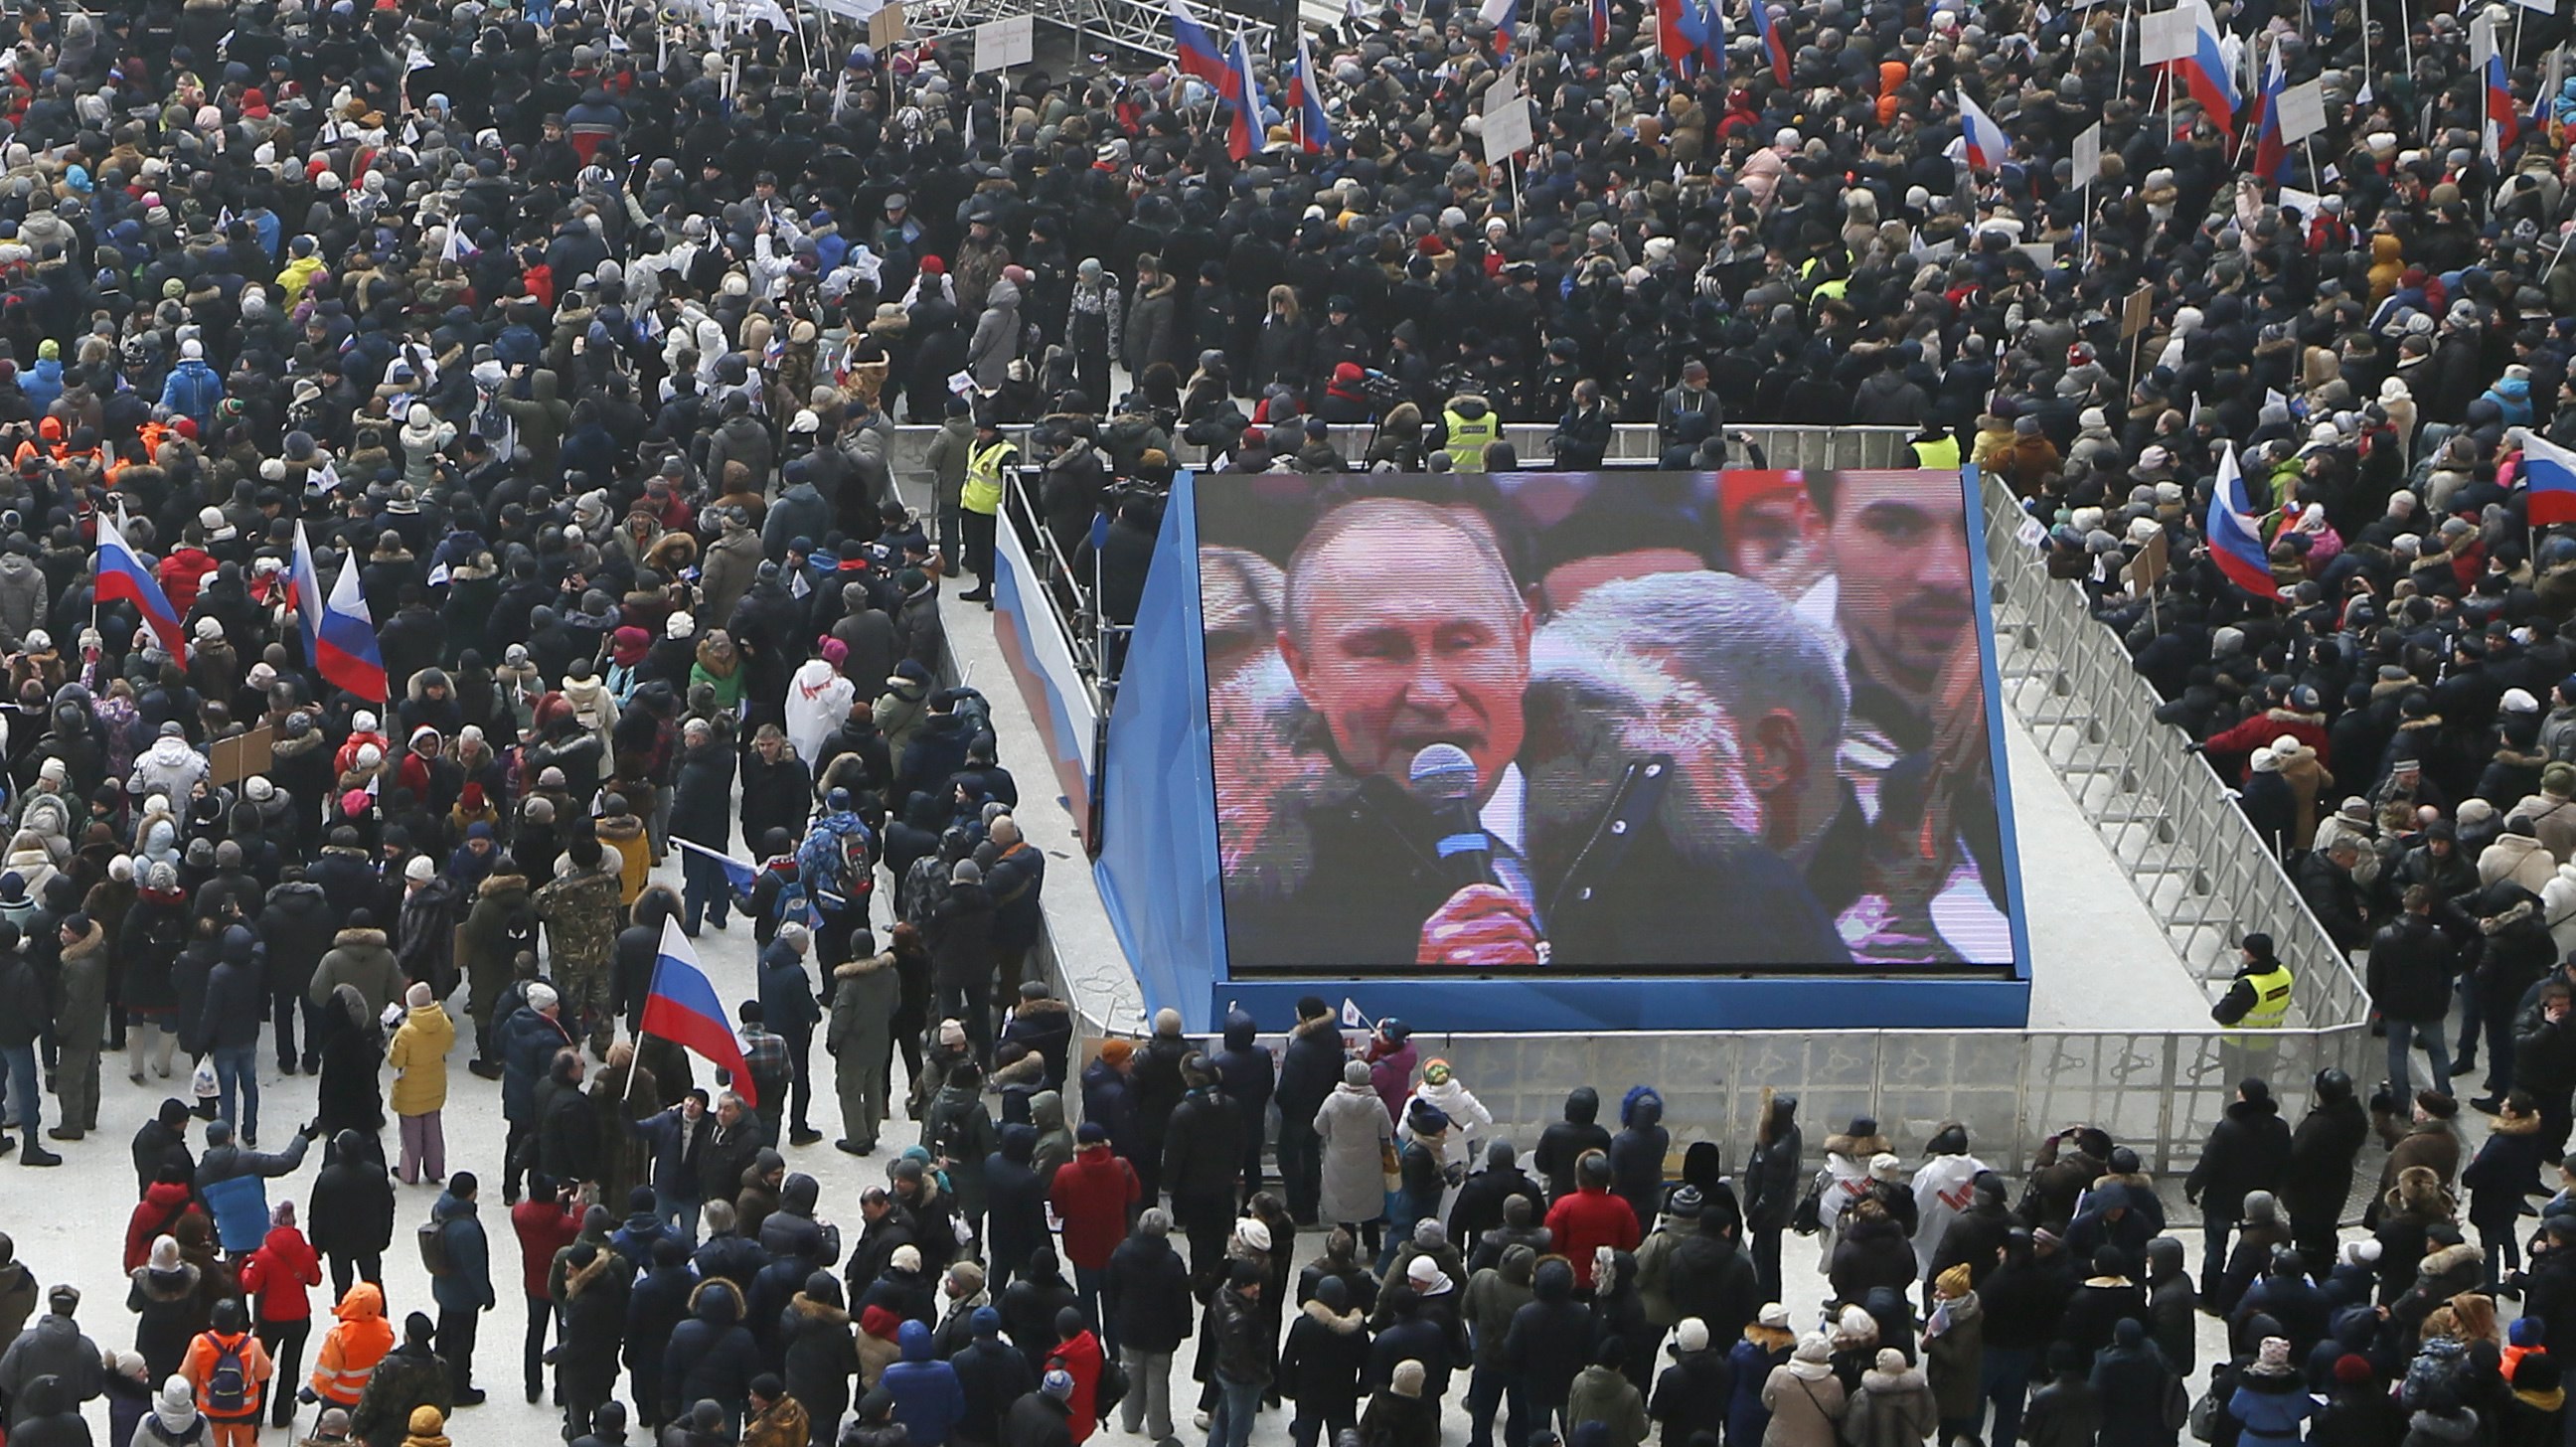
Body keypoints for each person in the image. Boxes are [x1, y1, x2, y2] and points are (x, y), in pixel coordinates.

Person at [1227, 495, 1845, 970]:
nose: (1433, 693)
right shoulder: (1248, 887)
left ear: (1523, 642)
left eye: (1463, 643)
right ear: (1303, 669)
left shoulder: (1692, 849)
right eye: (1380, 650)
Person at [427, 1173, 494, 1406]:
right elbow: (475, 1268)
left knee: (444, 1335)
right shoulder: (466, 1229)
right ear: (471, 1193)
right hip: (463, 1296)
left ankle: (438, 1379)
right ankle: (459, 1389)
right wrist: (487, 1296)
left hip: (443, 1288)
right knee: (462, 1343)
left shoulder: (441, 1209)